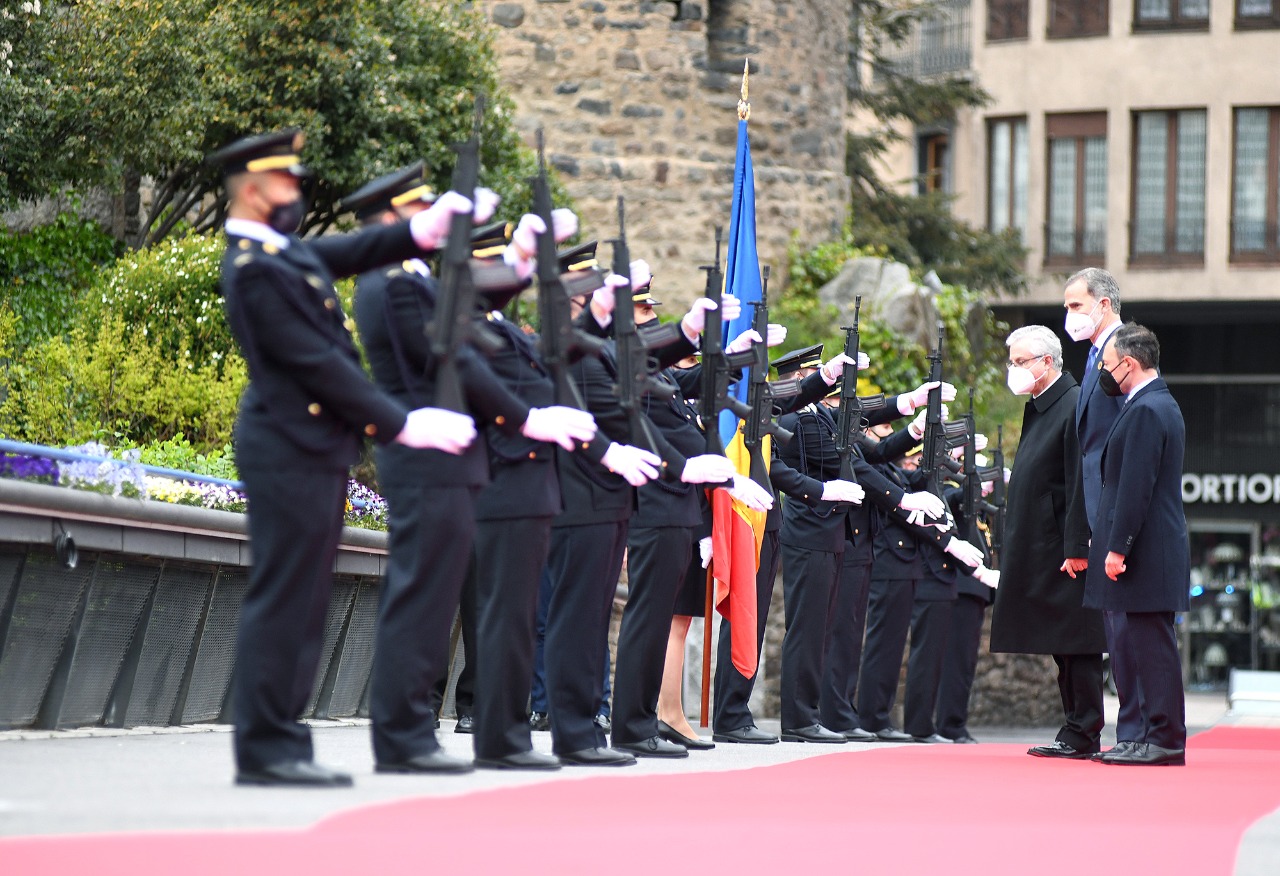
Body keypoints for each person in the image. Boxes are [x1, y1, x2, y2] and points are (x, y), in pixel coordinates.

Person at [209, 130, 479, 787]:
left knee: (304, 602)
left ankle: (285, 739)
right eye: (288, 182)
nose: (298, 193)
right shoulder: (252, 266)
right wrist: (401, 423)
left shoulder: (282, 254)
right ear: (252, 188)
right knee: (284, 598)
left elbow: (352, 247)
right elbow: (317, 364)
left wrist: (422, 232)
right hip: (287, 446)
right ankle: (267, 745)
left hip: (313, 447)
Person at [345, 163, 595, 773]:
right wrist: (523, 419)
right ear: (390, 219)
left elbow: (473, 334)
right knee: (420, 598)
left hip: (453, 460)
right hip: (423, 455)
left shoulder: (415, 280)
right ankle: (403, 735)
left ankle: (424, 736)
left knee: (435, 604)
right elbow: (457, 354)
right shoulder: (392, 283)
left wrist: (527, 260)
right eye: (420, 211)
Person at [542, 274, 738, 766]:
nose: (636, 321)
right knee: (583, 620)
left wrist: (700, 336)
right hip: (597, 498)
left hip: (620, 500)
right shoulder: (580, 353)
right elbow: (633, 418)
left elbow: (654, 377)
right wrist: (681, 465)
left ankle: (608, 725)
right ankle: (584, 729)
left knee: (594, 623)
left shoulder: (606, 354)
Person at [611, 281, 774, 758]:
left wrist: (732, 357)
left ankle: (646, 721)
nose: (649, 320)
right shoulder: (622, 363)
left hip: (678, 510)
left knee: (659, 620)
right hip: (655, 505)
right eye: (641, 311)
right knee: (648, 620)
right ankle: (634, 723)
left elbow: (685, 385)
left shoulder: (657, 377)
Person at [989, 325, 1106, 759]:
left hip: (1062, 545)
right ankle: (1075, 726)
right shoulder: (1044, 405)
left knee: (1077, 641)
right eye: (1012, 362)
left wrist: (1077, 545)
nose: (1013, 370)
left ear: (1047, 362)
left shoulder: (1072, 404)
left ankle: (1083, 729)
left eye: (1020, 362)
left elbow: (1080, 482)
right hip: (1043, 541)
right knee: (1063, 644)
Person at [1085, 323, 1188, 766]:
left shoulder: (1148, 409)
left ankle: (1163, 737)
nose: (1105, 372)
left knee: (1152, 646)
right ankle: (1149, 733)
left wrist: (1118, 546)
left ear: (1129, 363)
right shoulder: (1150, 403)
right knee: (1146, 645)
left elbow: (1135, 487)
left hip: (1146, 551)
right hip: (1149, 548)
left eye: (1108, 365)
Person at [1061, 268, 1135, 747]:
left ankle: (1139, 729)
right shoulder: (1092, 356)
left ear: (1103, 304)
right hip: (1097, 503)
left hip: (1114, 501)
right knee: (1114, 624)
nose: (1069, 316)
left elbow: (1126, 432)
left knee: (1129, 625)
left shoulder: (1123, 350)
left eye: (1075, 306)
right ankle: (1132, 729)